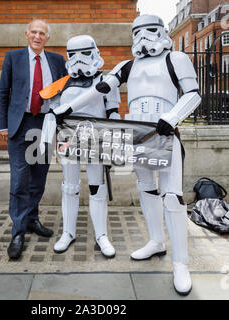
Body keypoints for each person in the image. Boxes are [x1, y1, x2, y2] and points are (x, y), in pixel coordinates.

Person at [50, 15, 201, 295]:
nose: (144, 38)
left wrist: (173, 116)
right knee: (146, 189)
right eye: (138, 33)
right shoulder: (127, 66)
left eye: (150, 31)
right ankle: (156, 241)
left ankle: (181, 263)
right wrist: (65, 110)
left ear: (161, 32)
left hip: (165, 133)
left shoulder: (176, 59)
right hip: (137, 135)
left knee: (172, 197)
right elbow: (100, 88)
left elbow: (193, 94)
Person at [40, 35, 121, 258]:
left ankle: (101, 235)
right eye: (73, 54)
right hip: (68, 139)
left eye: (85, 53)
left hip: (96, 138)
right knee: (70, 186)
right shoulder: (62, 83)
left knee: (97, 187)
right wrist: (45, 144)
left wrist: (116, 141)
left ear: (95, 52)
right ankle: (68, 232)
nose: (78, 59)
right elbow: (51, 114)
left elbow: (113, 112)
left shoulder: (106, 82)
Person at [0, 19, 68, 259]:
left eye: (42, 33)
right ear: (27, 34)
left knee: (39, 176)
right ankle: (18, 232)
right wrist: (3, 125)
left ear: (48, 37)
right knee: (19, 180)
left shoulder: (58, 60)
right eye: (34, 32)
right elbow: (3, 92)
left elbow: (67, 92)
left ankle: (31, 219)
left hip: (46, 123)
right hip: (20, 124)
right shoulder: (13, 57)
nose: (38, 36)